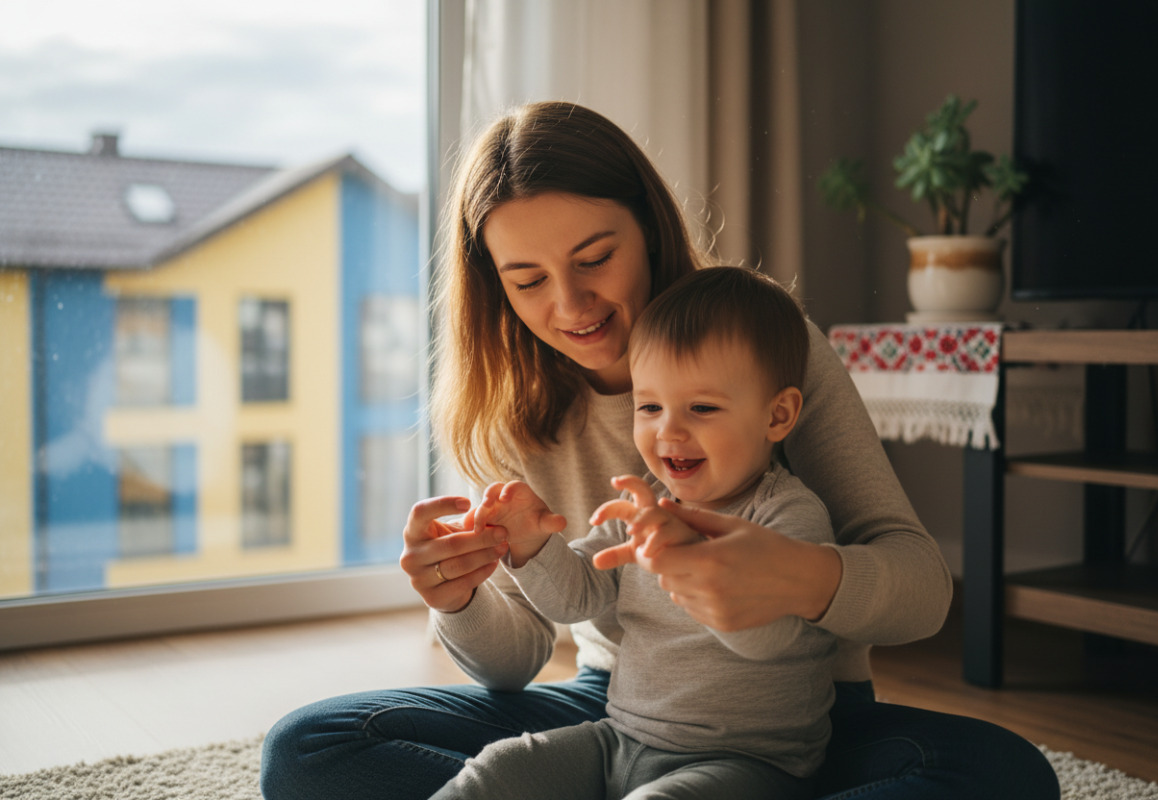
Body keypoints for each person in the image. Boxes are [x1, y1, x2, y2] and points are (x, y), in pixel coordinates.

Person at [260, 100, 1060, 800]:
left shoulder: (764, 347)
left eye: (594, 258)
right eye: (527, 279)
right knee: (311, 750)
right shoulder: (512, 410)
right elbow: (523, 652)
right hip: (617, 707)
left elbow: (922, 587)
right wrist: (459, 600)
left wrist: (801, 579)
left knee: (1005, 775)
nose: (570, 305)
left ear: (647, 225)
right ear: (493, 284)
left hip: (791, 718)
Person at [433, 266, 837, 800]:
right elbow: (578, 596)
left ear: (778, 414)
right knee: (498, 768)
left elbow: (771, 642)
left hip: (748, 763)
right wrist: (531, 546)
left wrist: (688, 563)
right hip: (620, 740)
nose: (668, 430)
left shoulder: (788, 515)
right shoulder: (642, 501)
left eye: (702, 407)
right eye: (650, 407)